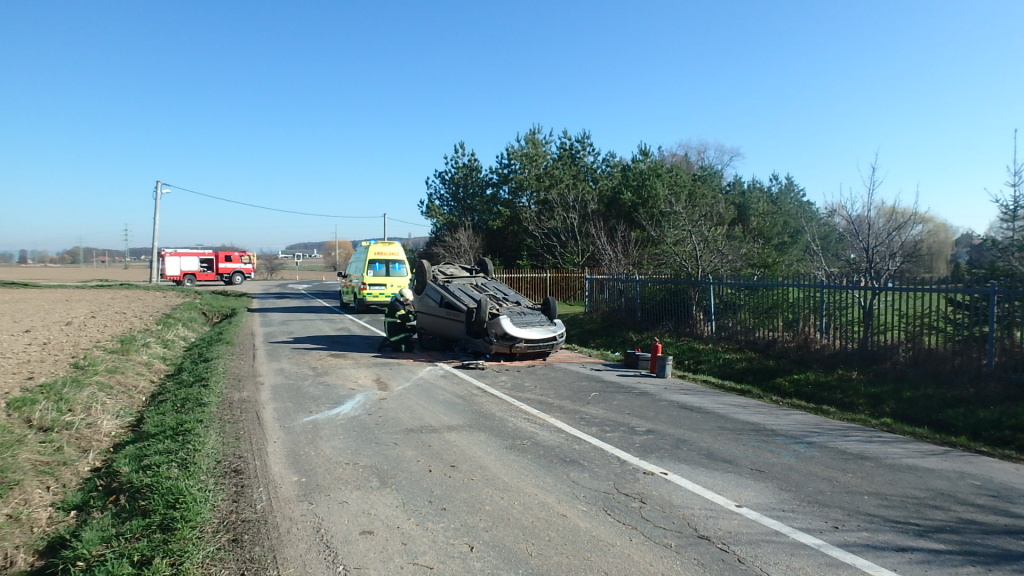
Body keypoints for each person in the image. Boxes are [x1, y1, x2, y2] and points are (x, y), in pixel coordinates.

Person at [378, 288, 416, 352]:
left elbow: (404, 313)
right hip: (395, 333)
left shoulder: (397, 303)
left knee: (413, 329)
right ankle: (392, 343)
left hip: (395, 329)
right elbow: (405, 318)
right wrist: (414, 315)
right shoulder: (396, 306)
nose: (407, 301)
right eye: (406, 300)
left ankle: (395, 341)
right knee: (409, 348)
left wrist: (410, 312)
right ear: (401, 297)